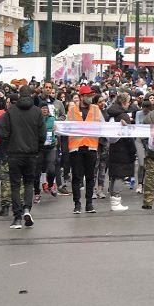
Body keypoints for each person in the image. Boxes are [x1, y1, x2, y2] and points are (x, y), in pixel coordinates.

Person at [0, 86, 46, 229]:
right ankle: (27, 209)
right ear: (31, 95)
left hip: (14, 153)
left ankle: (17, 217)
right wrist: (37, 148)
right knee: (29, 183)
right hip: (31, 153)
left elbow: (3, 133)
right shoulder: (37, 112)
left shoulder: (10, 112)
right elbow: (42, 135)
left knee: (15, 184)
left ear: (19, 95)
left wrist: (7, 148)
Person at [66, 84, 101, 214]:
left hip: (91, 147)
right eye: (88, 96)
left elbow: (103, 124)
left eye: (91, 95)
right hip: (76, 148)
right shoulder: (72, 110)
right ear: (81, 97)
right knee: (76, 176)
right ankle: (77, 204)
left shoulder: (96, 109)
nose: (91, 97)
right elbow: (66, 126)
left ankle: (89, 203)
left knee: (90, 176)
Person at [105, 91, 136, 212]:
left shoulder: (111, 114)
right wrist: (132, 150)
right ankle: (116, 200)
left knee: (114, 175)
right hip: (123, 148)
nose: (129, 104)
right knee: (120, 175)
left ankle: (114, 199)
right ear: (123, 102)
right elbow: (128, 135)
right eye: (128, 102)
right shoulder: (123, 116)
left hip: (113, 147)